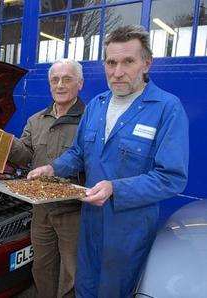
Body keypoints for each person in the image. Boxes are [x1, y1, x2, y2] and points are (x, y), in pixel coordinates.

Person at [28, 25, 189, 297]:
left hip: (128, 230)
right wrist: (52, 167)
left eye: (128, 61)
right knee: (85, 287)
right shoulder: (97, 105)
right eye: (111, 62)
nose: (117, 72)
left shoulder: (166, 109)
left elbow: (170, 177)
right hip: (89, 222)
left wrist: (117, 189)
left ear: (146, 63)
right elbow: (78, 153)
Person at [7, 59, 85, 298]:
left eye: (67, 79)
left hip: (73, 211)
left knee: (73, 270)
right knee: (42, 265)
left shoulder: (89, 120)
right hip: (40, 209)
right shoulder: (36, 120)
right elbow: (26, 156)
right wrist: (8, 145)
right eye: (55, 80)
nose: (60, 85)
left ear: (80, 84)